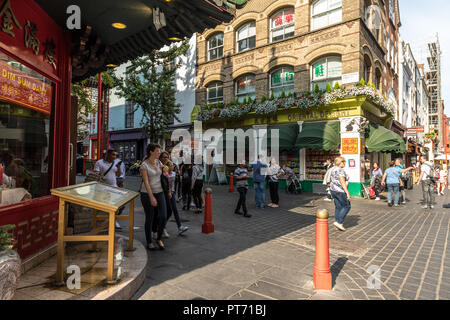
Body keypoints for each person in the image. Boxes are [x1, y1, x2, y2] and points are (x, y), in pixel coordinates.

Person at [140, 143, 167, 251]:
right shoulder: (144, 165)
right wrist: (151, 197)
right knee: (150, 218)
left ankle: (159, 238)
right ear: (151, 151)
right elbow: (146, 183)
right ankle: (149, 242)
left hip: (160, 192)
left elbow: (165, 176)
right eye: (157, 151)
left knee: (163, 216)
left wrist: (164, 170)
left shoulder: (159, 162)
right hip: (147, 194)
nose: (159, 153)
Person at [166, 160, 189, 234]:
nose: (173, 166)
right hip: (165, 193)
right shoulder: (165, 174)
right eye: (171, 165)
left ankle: (180, 227)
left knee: (175, 210)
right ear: (167, 167)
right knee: (168, 211)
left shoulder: (173, 173)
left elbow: (174, 184)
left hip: (171, 193)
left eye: (173, 165)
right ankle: (161, 226)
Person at [329, 157, 351, 231]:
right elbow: (342, 181)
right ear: (340, 162)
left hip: (333, 190)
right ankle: (339, 222)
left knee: (338, 207)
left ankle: (337, 222)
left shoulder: (333, 169)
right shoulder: (340, 170)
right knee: (347, 206)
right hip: (340, 191)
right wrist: (347, 193)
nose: (345, 163)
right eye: (343, 162)